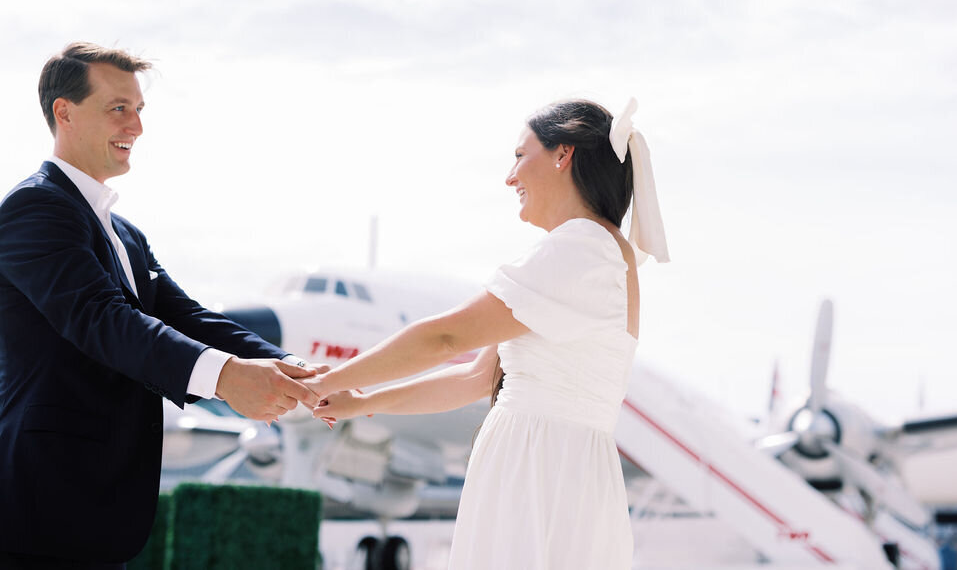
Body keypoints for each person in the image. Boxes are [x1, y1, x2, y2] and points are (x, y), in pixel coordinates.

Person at [306, 97, 669, 569]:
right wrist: (363, 401)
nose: (510, 176)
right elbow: (476, 379)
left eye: (521, 155)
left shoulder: (580, 249)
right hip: (564, 469)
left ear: (564, 155)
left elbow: (445, 339)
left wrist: (323, 382)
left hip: (538, 468)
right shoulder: (597, 252)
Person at [0, 42, 325, 569]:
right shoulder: (34, 207)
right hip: (40, 506)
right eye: (118, 109)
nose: (137, 127)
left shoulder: (125, 232)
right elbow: (102, 318)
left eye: (139, 110)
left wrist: (301, 374)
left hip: (100, 514)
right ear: (64, 111)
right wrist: (226, 379)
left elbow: (188, 317)